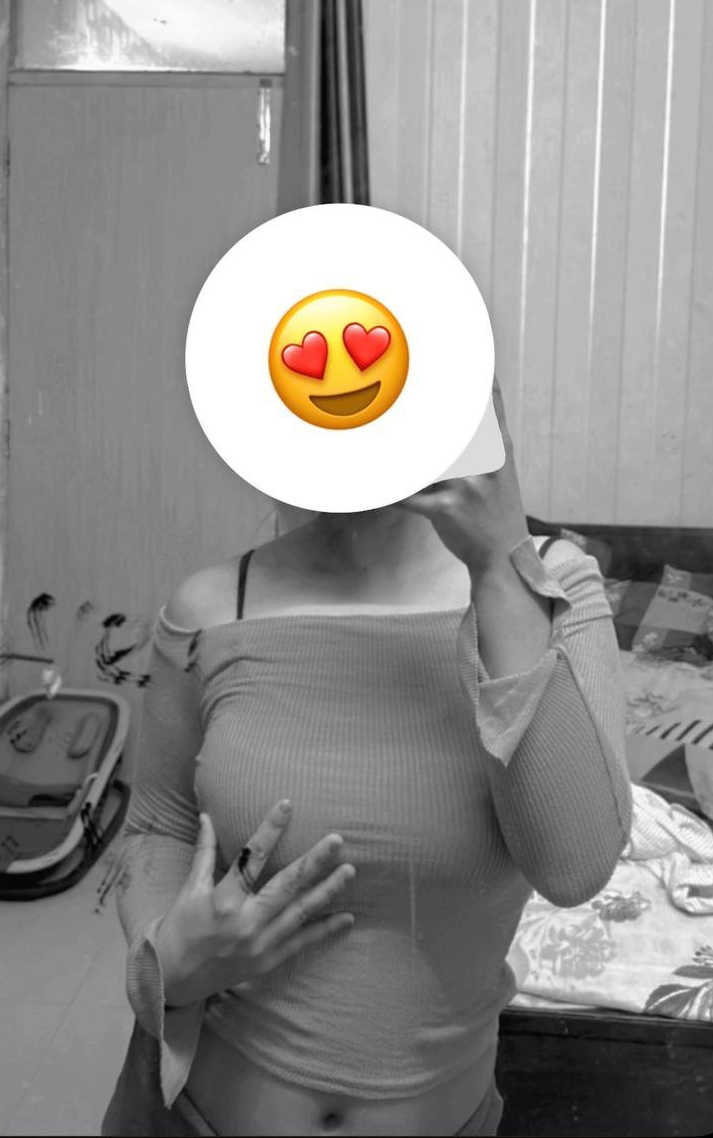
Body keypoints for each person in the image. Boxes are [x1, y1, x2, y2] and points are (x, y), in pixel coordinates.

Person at [102, 381, 632, 1137]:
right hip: (190, 1115)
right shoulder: (211, 606)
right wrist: (166, 961)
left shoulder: (554, 583)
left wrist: (497, 564)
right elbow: (158, 825)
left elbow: (575, 868)